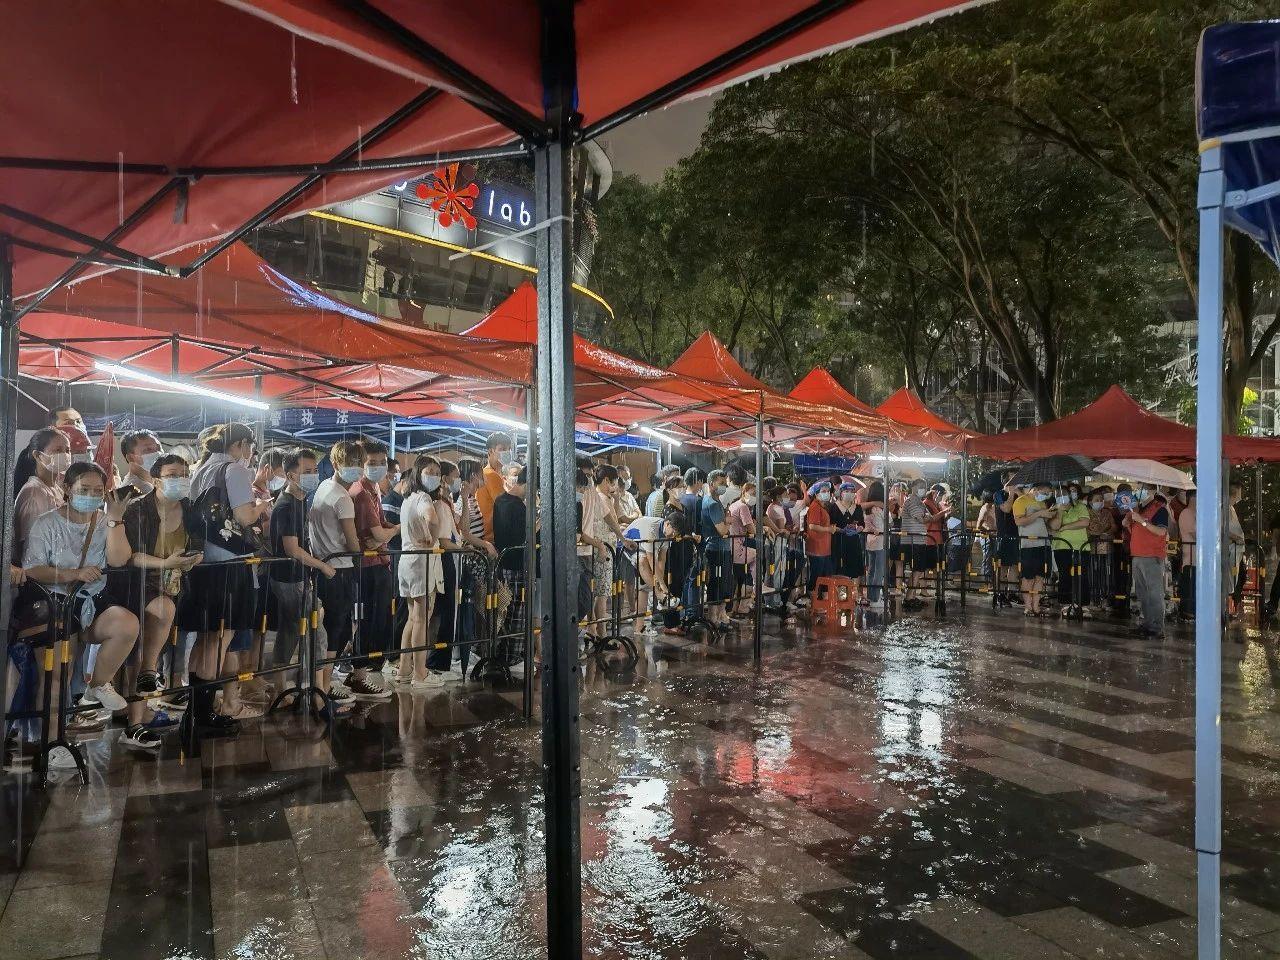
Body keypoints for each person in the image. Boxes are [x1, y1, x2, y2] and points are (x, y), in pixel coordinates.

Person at [23, 463, 156, 749]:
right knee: (58, 676)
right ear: (67, 489)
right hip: (55, 604)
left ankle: (98, 684)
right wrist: (73, 574)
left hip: (91, 602)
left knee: (126, 624)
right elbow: (32, 569)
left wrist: (116, 519)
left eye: (98, 490)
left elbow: (119, 560)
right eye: (84, 489)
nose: (92, 495)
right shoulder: (46, 523)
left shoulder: (105, 521)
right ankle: (51, 743)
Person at [179, 422, 266, 735]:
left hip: (203, 563)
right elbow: (244, 516)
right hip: (230, 563)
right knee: (220, 638)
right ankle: (200, 716)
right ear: (240, 444)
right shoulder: (235, 469)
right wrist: (261, 505)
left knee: (206, 639)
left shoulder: (201, 469)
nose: (250, 453)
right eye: (250, 447)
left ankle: (195, 713)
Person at [110, 453, 203, 701]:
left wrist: (192, 559)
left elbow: (197, 546)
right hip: (137, 582)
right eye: (172, 475)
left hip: (175, 583)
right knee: (152, 623)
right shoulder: (138, 509)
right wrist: (165, 563)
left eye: (184, 475)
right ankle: (148, 671)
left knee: (169, 625)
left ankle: (143, 702)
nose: (180, 480)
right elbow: (131, 556)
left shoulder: (190, 509)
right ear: (156, 479)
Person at [267, 449, 336, 698]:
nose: (313, 475)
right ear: (290, 475)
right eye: (307, 471)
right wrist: (322, 565)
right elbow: (292, 549)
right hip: (289, 578)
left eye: (315, 470)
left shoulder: (298, 501)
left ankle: (283, 688)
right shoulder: (287, 506)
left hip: (293, 577)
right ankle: (313, 690)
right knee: (317, 633)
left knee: (289, 631)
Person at [309, 439, 363, 702]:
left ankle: (322, 685)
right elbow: (352, 542)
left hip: (323, 566)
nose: (356, 467)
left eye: (358, 463)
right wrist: (363, 548)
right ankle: (325, 687)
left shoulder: (323, 487)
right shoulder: (343, 498)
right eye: (350, 462)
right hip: (339, 569)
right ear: (335, 463)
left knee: (328, 629)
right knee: (336, 630)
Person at [345, 438, 398, 698]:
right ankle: (359, 673)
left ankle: (362, 671)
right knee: (367, 621)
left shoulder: (374, 489)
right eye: (372, 462)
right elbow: (377, 534)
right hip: (367, 566)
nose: (378, 467)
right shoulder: (362, 493)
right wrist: (395, 530)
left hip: (378, 561)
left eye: (382, 462)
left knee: (377, 620)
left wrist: (384, 534)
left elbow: (382, 528)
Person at [397, 455, 444, 687]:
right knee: (421, 620)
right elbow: (431, 517)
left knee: (412, 618)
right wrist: (431, 536)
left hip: (407, 561)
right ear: (418, 473)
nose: (434, 476)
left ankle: (404, 669)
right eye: (429, 471)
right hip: (421, 561)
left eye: (437, 473)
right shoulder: (424, 497)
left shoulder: (408, 498)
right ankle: (420, 673)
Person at [14, 428, 70, 557]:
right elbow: (31, 547)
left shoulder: (55, 488)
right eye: (58, 450)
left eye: (67, 450)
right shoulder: (34, 494)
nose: (65, 455)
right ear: (38, 456)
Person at [1124, 483, 1170, 639]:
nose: (1138, 491)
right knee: (1142, 593)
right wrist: (1128, 523)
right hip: (1137, 555)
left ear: (1151, 491)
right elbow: (1136, 531)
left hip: (1152, 556)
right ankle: (1147, 624)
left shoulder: (1160, 509)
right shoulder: (1139, 509)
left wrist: (1142, 521)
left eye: (1141, 488)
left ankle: (1157, 627)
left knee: (1154, 593)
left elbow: (1161, 531)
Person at [1012, 481, 1058, 617]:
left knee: (1040, 577)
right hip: (1028, 544)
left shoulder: (1042, 503)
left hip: (1043, 543)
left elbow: (1045, 522)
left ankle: (1036, 606)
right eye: (1045, 492)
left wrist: (1050, 514)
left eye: (1048, 493)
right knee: (1028, 577)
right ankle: (1028, 606)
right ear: (1036, 489)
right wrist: (1039, 514)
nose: (1046, 495)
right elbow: (1019, 521)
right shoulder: (1021, 501)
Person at [700, 470, 733, 627]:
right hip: (716, 549)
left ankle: (720, 615)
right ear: (711, 483)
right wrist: (728, 521)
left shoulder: (715, 501)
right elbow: (723, 531)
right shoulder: (712, 503)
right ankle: (714, 617)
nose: (724, 486)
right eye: (721, 483)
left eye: (725, 483)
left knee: (722, 583)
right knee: (717, 583)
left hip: (720, 548)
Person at [1052, 482, 1091, 613]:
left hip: (1081, 547)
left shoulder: (1080, 506)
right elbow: (1054, 526)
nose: (1061, 496)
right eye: (1057, 495)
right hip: (1061, 547)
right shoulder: (1053, 509)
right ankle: (1066, 603)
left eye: (1063, 494)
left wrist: (1065, 527)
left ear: (1069, 494)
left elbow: (1084, 522)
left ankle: (1083, 604)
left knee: (1082, 575)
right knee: (1065, 575)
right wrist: (1059, 511)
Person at [828, 482, 865, 603]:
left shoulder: (858, 508)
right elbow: (830, 524)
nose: (849, 494)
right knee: (840, 569)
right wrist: (841, 530)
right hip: (839, 542)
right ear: (841, 493)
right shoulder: (834, 507)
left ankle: (854, 596)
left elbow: (862, 524)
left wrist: (858, 529)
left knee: (855, 568)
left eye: (852, 491)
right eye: (846, 491)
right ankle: (841, 597)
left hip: (854, 542)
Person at [475, 432, 515, 543]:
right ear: (490, 451)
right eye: (502, 449)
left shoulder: (491, 474)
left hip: (487, 536)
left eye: (509, 449)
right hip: (492, 538)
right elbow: (507, 507)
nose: (507, 452)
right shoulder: (491, 475)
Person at [726, 480, 758, 618]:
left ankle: (736, 608)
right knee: (758, 555)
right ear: (744, 492)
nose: (755, 496)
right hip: (738, 548)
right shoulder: (743, 507)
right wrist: (761, 528)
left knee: (740, 578)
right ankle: (758, 585)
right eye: (753, 493)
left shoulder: (734, 505)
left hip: (731, 547)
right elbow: (752, 529)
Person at [899, 481, 931, 608]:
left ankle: (911, 596)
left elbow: (930, 517)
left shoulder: (920, 502)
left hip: (919, 540)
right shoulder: (911, 501)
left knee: (918, 569)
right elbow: (922, 519)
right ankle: (908, 597)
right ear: (913, 487)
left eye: (925, 487)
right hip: (912, 541)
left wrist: (926, 517)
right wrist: (926, 517)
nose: (923, 489)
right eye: (920, 487)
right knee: (917, 569)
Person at [1086, 487, 1118, 613]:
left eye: (1101, 499)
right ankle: (1093, 599)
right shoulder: (1086, 513)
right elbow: (1088, 529)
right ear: (1090, 502)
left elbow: (1114, 526)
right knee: (1093, 573)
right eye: (1097, 500)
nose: (1100, 502)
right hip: (1091, 548)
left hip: (1107, 548)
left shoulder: (1107, 513)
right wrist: (1097, 533)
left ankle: (1106, 599)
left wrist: (1107, 532)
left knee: (1107, 574)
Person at [804, 481, 836, 594]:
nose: (826, 493)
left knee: (825, 575)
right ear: (816, 494)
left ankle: (824, 599)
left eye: (827, 491)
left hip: (824, 547)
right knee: (817, 575)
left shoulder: (822, 507)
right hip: (817, 547)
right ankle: (812, 598)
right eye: (823, 491)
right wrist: (828, 529)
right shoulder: (815, 507)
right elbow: (812, 526)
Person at [117, 429, 162, 498]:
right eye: (148, 449)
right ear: (131, 458)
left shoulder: (151, 483)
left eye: (159, 448)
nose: (158, 453)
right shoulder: (133, 492)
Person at [863, 480, 887, 606]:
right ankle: (876, 598)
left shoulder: (867, 508)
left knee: (871, 570)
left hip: (870, 541)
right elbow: (889, 521)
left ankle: (870, 596)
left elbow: (867, 524)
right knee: (879, 570)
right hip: (880, 541)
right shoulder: (880, 508)